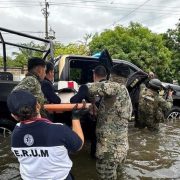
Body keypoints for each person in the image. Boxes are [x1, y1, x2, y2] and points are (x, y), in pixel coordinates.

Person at [7, 89, 85, 180]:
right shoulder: (59, 129)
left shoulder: (15, 136)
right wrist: (75, 118)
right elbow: (79, 145)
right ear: (38, 106)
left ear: (13, 116)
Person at [87, 64, 132, 180]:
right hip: (121, 150)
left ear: (111, 75)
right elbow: (114, 116)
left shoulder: (115, 86)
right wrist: (96, 111)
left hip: (109, 152)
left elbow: (89, 88)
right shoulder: (124, 92)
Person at [70, 65, 108, 158]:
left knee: (95, 147)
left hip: (96, 123)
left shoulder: (87, 87)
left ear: (94, 75)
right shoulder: (117, 88)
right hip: (111, 125)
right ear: (106, 76)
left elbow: (73, 100)